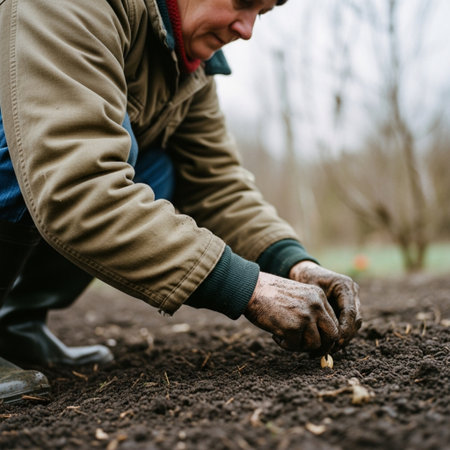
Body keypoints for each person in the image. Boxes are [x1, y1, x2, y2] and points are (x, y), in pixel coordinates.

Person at [0, 0, 362, 404]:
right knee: (67, 143)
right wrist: (249, 288)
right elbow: (77, 181)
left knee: (160, 167)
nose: (247, 30)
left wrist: (295, 266)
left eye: (262, 13)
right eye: (244, 4)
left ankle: (15, 323)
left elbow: (215, 184)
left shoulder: (187, 64)